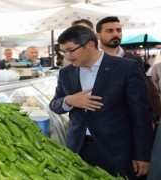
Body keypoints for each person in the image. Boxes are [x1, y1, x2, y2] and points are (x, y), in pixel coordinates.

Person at [49, 25, 153, 179]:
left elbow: (141, 115)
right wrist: (69, 100)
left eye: (71, 50)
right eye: (64, 51)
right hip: (78, 150)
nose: (67, 56)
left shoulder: (126, 68)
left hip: (117, 152)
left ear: (90, 45)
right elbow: (54, 105)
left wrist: (142, 155)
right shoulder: (66, 73)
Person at [96, 16, 161, 128]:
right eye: (109, 31)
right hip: (102, 122)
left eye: (118, 30)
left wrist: (150, 117)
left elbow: (144, 90)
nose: (115, 34)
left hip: (131, 121)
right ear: (98, 35)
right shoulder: (93, 59)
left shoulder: (133, 59)